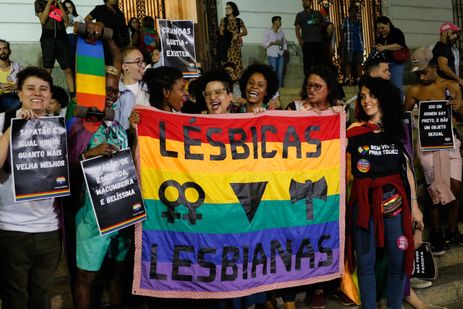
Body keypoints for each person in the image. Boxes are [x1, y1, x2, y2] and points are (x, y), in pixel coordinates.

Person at [347, 77, 424, 309]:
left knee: (398, 262)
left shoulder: (396, 130)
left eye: (372, 95)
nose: (366, 100)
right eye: (362, 96)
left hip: (394, 205)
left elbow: (407, 169)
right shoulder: (353, 131)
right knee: (366, 263)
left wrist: (415, 206)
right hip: (364, 206)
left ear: (383, 98)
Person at [0, 66, 62, 309]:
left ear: (50, 95)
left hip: (48, 229)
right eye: (31, 88)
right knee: (15, 298)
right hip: (11, 229)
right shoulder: (4, 120)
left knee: (41, 296)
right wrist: (12, 127)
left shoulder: (57, 128)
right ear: (19, 94)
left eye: (44, 89)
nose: (38, 93)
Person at [404, 47, 463, 254]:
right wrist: (413, 115)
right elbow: (403, 117)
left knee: (455, 186)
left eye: (425, 71)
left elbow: (462, 115)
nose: (422, 75)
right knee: (435, 187)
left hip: (451, 140)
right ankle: (437, 231)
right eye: (418, 72)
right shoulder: (414, 91)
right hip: (428, 143)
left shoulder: (452, 86)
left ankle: (453, 229)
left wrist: (459, 108)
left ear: (435, 66)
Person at [35, 0, 75, 97]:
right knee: (48, 70)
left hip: (62, 39)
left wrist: (60, 5)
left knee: (68, 69)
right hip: (48, 39)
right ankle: (45, 93)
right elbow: (43, 20)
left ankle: (73, 95)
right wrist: (49, 3)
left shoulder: (61, 3)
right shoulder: (39, 3)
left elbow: (66, 21)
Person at [114, 46, 149, 130]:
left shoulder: (148, 90)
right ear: (125, 66)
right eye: (138, 62)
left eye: (142, 62)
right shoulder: (116, 94)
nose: (142, 66)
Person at [375, 16, 407, 95]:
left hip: (396, 63)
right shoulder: (380, 37)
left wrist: (384, 47)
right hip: (385, 64)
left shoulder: (396, 32)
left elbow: (399, 45)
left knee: (397, 86)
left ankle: (398, 105)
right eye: (379, 29)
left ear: (388, 24)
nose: (380, 30)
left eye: (382, 27)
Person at [218, 1, 248, 81]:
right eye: (226, 8)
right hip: (226, 47)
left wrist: (238, 35)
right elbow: (221, 32)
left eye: (229, 8)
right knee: (227, 67)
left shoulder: (239, 20)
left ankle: (236, 82)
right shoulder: (224, 20)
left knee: (237, 66)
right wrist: (231, 34)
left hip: (235, 48)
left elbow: (245, 32)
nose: (227, 10)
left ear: (233, 9)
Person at [294, 0, 324, 76]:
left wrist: (318, 23)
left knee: (318, 63)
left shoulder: (317, 13)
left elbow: (324, 25)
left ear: (310, 2)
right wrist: (300, 40)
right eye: (303, 1)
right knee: (307, 63)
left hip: (318, 42)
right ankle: (307, 81)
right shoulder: (300, 15)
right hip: (306, 42)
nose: (304, 2)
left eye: (306, 1)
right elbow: (297, 29)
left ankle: (318, 79)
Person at [432, 22, 463, 87]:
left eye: (456, 33)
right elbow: (443, 67)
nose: (455, 36)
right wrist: (458, 79)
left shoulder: (447, 47)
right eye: (453, 33)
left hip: (448, 84)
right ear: (444, 33)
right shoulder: (442, 47)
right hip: (444, 85)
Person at [341, 6, 364, 85]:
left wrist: (362, 44)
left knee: (359, 62)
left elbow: (360, 33)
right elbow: (342, 31)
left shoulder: (358, 22)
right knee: (349, 62)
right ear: (349, 12)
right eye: (352, 11)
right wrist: (343, 42)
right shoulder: (346, 21)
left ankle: (359, 78)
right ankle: (347, 78)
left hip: (358, 44)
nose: (353, 12)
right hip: (349, 44)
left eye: (355, 11)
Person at [263, 16, 287, 88]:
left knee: (280, 72)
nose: (280, 22)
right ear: (274, 22)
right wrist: (273, 43)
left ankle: (280, 88)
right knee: (273, 72)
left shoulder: (281, 32)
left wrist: (285, 49)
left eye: (280, 21)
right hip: (272, 54)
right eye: (279, 21)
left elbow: (284, 42)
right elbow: (264, 44)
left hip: (280, 53)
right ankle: (272, 88)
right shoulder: (268, 31)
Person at [0, 39, 23, 112]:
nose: (2, 51)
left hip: (15, 96)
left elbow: (26, 82)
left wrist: (17, 85)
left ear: (10, 51)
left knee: (17, 102)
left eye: (5, 48)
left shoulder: (18, 67)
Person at [63, 0, 83, 76]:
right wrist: (66, 21)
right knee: (69, 65)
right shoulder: (60, 18)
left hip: (77, 39)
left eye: (70, 7)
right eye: (66, 8)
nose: (68, 10)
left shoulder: (79, 17)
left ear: (73, 8)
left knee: (77, 63)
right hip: (66, 38)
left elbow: (83, 29)